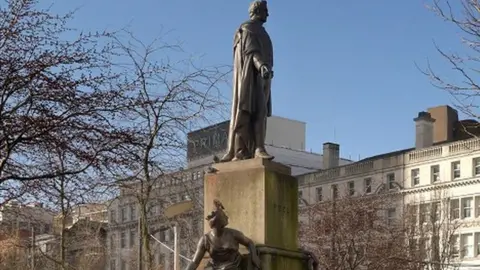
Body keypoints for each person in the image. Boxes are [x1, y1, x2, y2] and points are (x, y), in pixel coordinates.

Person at [220, 0, 274, 162]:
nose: (268, 14)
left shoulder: (261, 31)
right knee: (253, 111)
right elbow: (252, 52)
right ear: (257, 11)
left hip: (262, 79)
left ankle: (253, 149)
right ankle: (252, 149)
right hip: (250, 79)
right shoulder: (249, 29)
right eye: (265, 10)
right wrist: (262, 66)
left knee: (260, 112)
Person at [186, 200, 262, 270]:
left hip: (233, 266)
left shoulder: (233, 234)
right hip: (215, 267)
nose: (227, 217)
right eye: (224, 216)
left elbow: (249, 243)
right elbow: (195, 262)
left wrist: (254, 256)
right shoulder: (205, 240)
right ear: (218, 222)